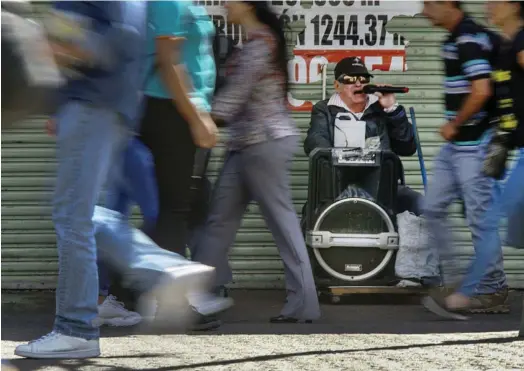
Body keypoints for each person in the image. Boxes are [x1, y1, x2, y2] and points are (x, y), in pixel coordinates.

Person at [14, 1, 217, 359]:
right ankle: (166, 267)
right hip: (111, 105)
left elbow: (98, 41)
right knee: (83, 212)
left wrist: (45, 45)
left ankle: (75, 329)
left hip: (92, 104)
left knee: (72, 217)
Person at [192, 1, 321, 325]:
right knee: (218, 222)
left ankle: (304, 304)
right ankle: (198, 298)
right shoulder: (250, 44)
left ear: (247, 5)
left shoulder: (261, 44)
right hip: (243, 145)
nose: (224, 6)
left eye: (230, 1)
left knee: (282, 223)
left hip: (265, 144)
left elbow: (233, 98)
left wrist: (195, 119)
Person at [423, 0, 524, 318]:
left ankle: (487, 290)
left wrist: (455, 124)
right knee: (434, 208)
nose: (424, 11)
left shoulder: (474, 39)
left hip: (476, 145)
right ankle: (463, 283)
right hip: (472, 148)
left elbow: (481, 91)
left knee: (488, 220)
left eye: (428, 4)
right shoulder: (473, 39)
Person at [138, 0, 218, 257]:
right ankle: (163, 291)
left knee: (190, 204)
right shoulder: (169, 2)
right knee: (174, 208)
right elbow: (168, 62)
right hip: (170, 111)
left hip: (184, 110)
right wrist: (196, 118)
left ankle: (171, 284)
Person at [303, 56, 423, 217]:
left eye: (363, 79)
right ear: (337, 85)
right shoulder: (324, 109)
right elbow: (315, 141)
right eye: (350, 79)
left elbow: (407, 147)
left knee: (418, 203)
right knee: (311, 212)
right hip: (337, 185)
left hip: (382, 185)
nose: (358, 84)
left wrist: (392, 109)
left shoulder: (379, 108)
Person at [94, 137, 159, 327]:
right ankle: (156, 284)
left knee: (108, 219)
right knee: (148, 215)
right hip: (119, 140)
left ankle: (97, 301)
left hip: (108, 140)